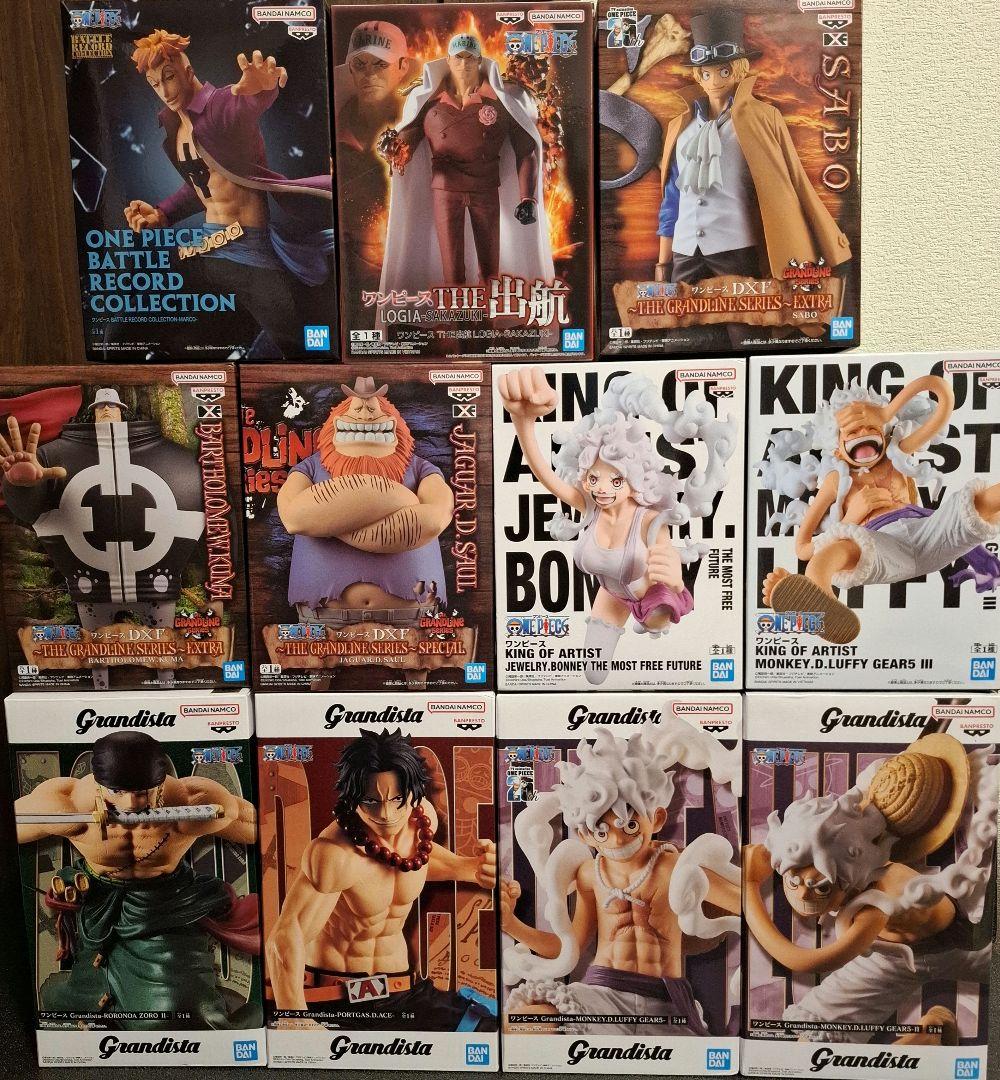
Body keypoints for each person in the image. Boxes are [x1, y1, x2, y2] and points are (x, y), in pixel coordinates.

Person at [743, 732, 997, 1046]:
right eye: (792, 881)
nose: (802, 895)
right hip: (891, 960)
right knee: (813, 1045)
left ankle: (934, 1032)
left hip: (964, 951)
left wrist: (750, 886)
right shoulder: (839, 855)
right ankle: (934, 1033)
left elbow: (805, 962)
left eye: (820, 888)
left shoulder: (880, 898)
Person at [499, 366, 737, 684]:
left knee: (657, 619)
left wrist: (675, 581)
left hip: (651, 598)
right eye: (594, 478)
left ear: (635, 479)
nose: (601, 489)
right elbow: (545, 475)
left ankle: (657, 619)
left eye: (615, 480)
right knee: (594, 675)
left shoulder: (649, 519)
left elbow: (666, 565)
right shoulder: (590, 507)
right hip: (611, 594)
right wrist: (522, 421)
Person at [500, 727, 741, 1035]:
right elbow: (569, 946)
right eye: (601, 831)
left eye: (629, 825)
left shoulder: (674, 867)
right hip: (602, 994)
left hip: (666, 1003)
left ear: (656, 818)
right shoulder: (590, 874)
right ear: (585, 834)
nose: (616, 839)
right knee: (522, 1021)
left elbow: (742, 905)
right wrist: (512, 925)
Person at [14, 731, 260, 1029]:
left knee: (178, 1015)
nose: (131, 803)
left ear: (160, 784)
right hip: (99, 905)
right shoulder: (70, 803)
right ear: (99, 785)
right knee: (79, 1003)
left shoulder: (190, 800)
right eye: (117, 792)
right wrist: (53, 819)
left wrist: (222, 814)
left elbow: (259, 828)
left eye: (142, 792)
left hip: (164, 907)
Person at [265, 728, 497, 1029]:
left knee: (485, 1026)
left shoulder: (420, 820)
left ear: (414, 792)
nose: (386, 813)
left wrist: (468, 868)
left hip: (402, 990)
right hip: (336, 1000)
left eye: (397, 799)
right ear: (352, 797)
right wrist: (295, 1015)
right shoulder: (334, 855)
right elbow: (287, 935)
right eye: (371, 801)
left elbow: (411, 861)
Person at [125, 29, 335, 358]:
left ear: (188, 71)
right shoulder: (178, 129)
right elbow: (202, 185)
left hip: (250, 250)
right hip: (209, 248)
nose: (164, 91)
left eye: (169, 77)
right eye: (155, 84)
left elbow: (242, 104)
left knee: (301, 345)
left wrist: (261, 89)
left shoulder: (219, 105)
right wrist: (162, 213)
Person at [655, 10, 851, 346]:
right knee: (681, 339)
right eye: (706, 72)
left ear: (739, 70)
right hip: (685, 252)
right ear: (698, 75)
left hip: (736, 249)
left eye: (724, 70)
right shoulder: (680, 128)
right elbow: (672, 200)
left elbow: (790, 183)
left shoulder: (763, 118)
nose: (714, 79)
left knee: (747, 337)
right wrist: (663, 264)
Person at [761, 375, 1000, 643]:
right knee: (830, 555)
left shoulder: (897, 455)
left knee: (976, 504)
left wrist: (887, 411)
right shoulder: (837, 480)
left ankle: (808, 593)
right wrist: (853, 517)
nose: (862, 434)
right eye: (852, 432)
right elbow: (803, 547)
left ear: (884, 432)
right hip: (881, 544)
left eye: (870, 427)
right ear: (837, 446)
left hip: (928, 532)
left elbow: (942, 393)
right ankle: (816, 597)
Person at [0, 389, 206, 689]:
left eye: (112, 405)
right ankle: (101, 692)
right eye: (101, 406)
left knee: (163, 657)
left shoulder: (177, 458)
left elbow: (213, 511)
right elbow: (28, 510)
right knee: (98, 656)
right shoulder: (52, 457)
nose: (107, 410)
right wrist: (20, 485)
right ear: (91, 411)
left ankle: (167, 689)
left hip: (158, 583)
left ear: (124, 411)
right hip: (90, 585)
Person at [276, 376, 454, 635]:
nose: (364, 413)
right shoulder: (311, 467)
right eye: (356, 407)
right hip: (323, 617)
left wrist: (330, 519)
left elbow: (435, 518)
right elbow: (293, 516)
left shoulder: (420, 468)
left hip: (412, 616)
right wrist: (399, 500)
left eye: (373, 407)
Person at [378, 33, 553, 293]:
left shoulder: (500, 102)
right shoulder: (429, 102)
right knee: (452, 269)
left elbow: (526, 150)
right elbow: (408, 139)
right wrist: (395, 149)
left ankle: (488, 315)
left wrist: (528, 198)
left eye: (470, 58)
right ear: (448, 60)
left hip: (485, 188)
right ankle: (455, 317)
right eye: (458, 58)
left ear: (480, 61)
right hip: (445, 189)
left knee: (490, 269)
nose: (464, 64)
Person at [334, 21, 414, 295]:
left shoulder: (422, 126)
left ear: (402, 66)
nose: (369, 74)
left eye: (380, 64)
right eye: (360, 64)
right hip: (350, 281)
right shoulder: (333, 128)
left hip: (412, 276)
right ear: (351, 69)